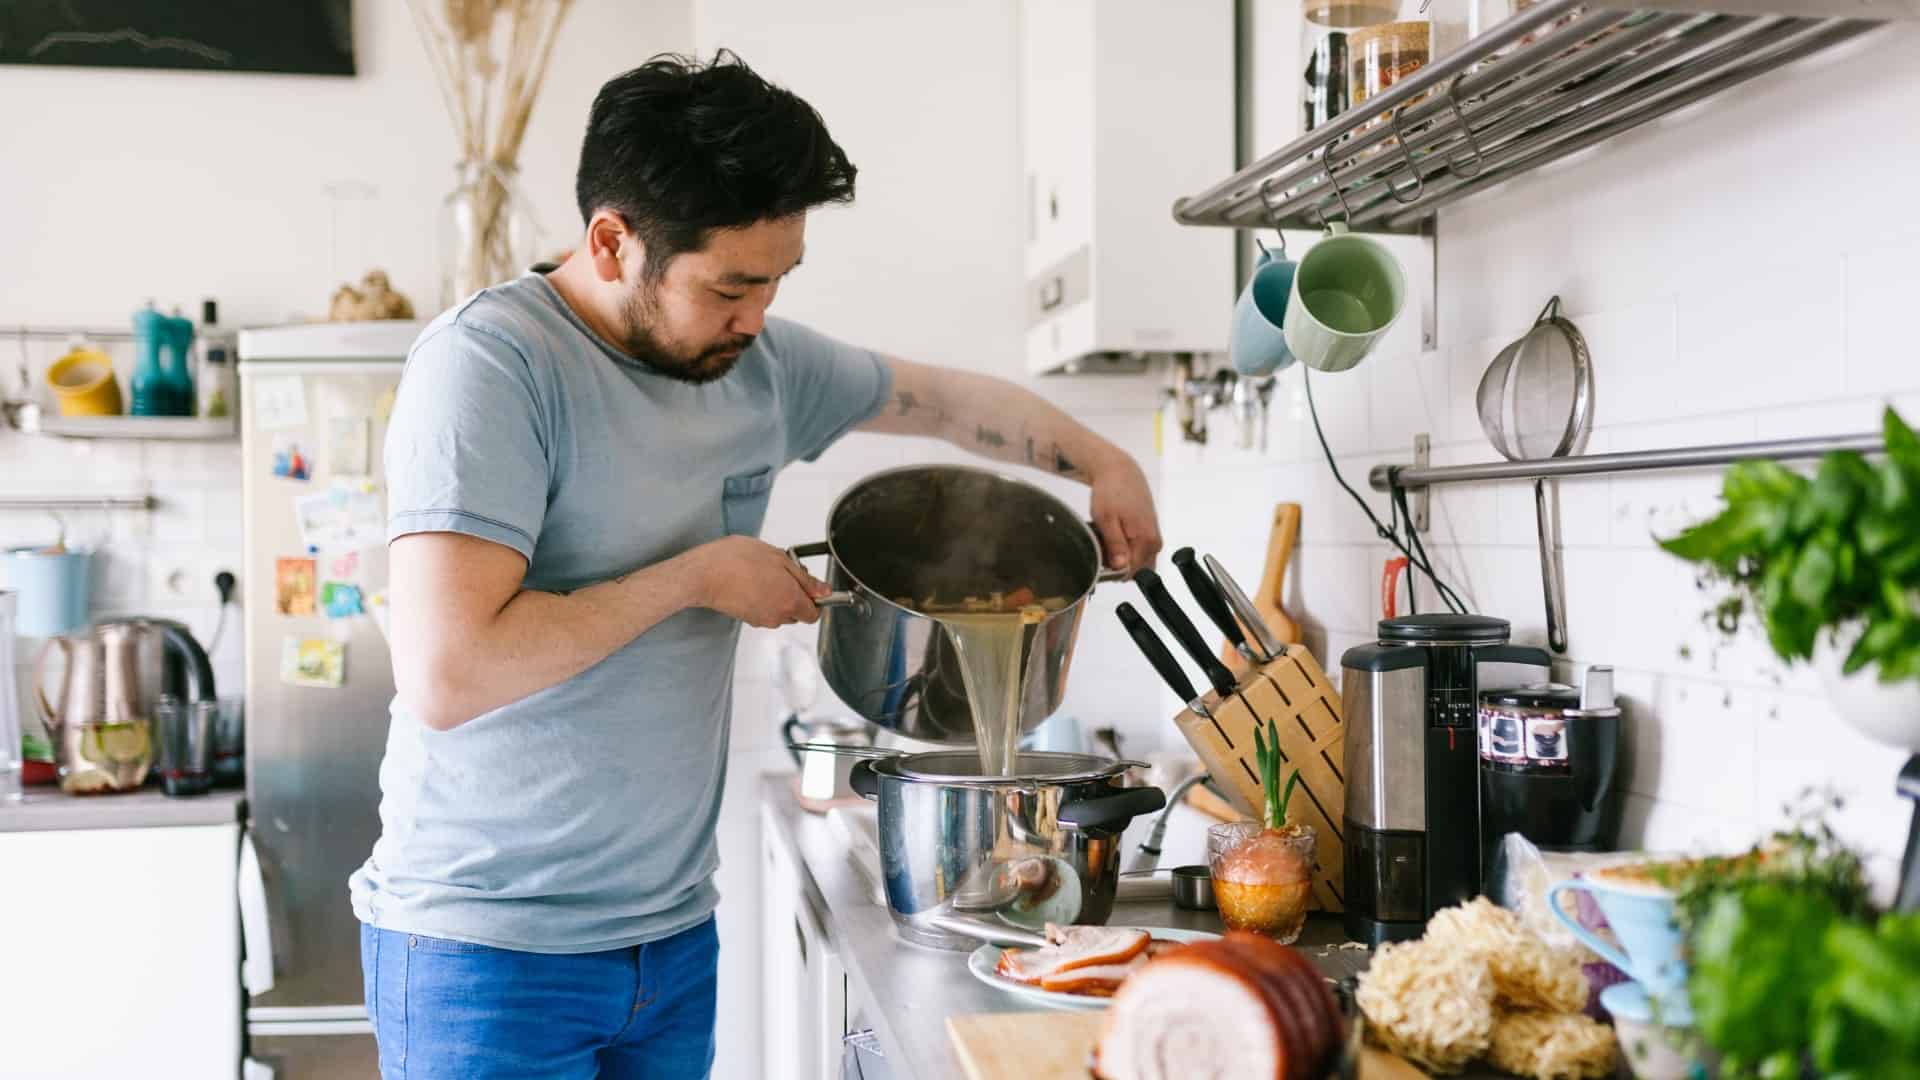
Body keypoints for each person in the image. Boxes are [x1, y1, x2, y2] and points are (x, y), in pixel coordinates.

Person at [350, 51, 1162, 1080]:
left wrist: (1106, 459)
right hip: (483, 951)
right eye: (731, 286)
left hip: (672, 937)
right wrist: (697, 576)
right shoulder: (492, 366)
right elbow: (449, 673)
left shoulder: (755, 365)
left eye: (778, 282)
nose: (758, 316)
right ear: (612, 241)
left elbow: (949, 402)